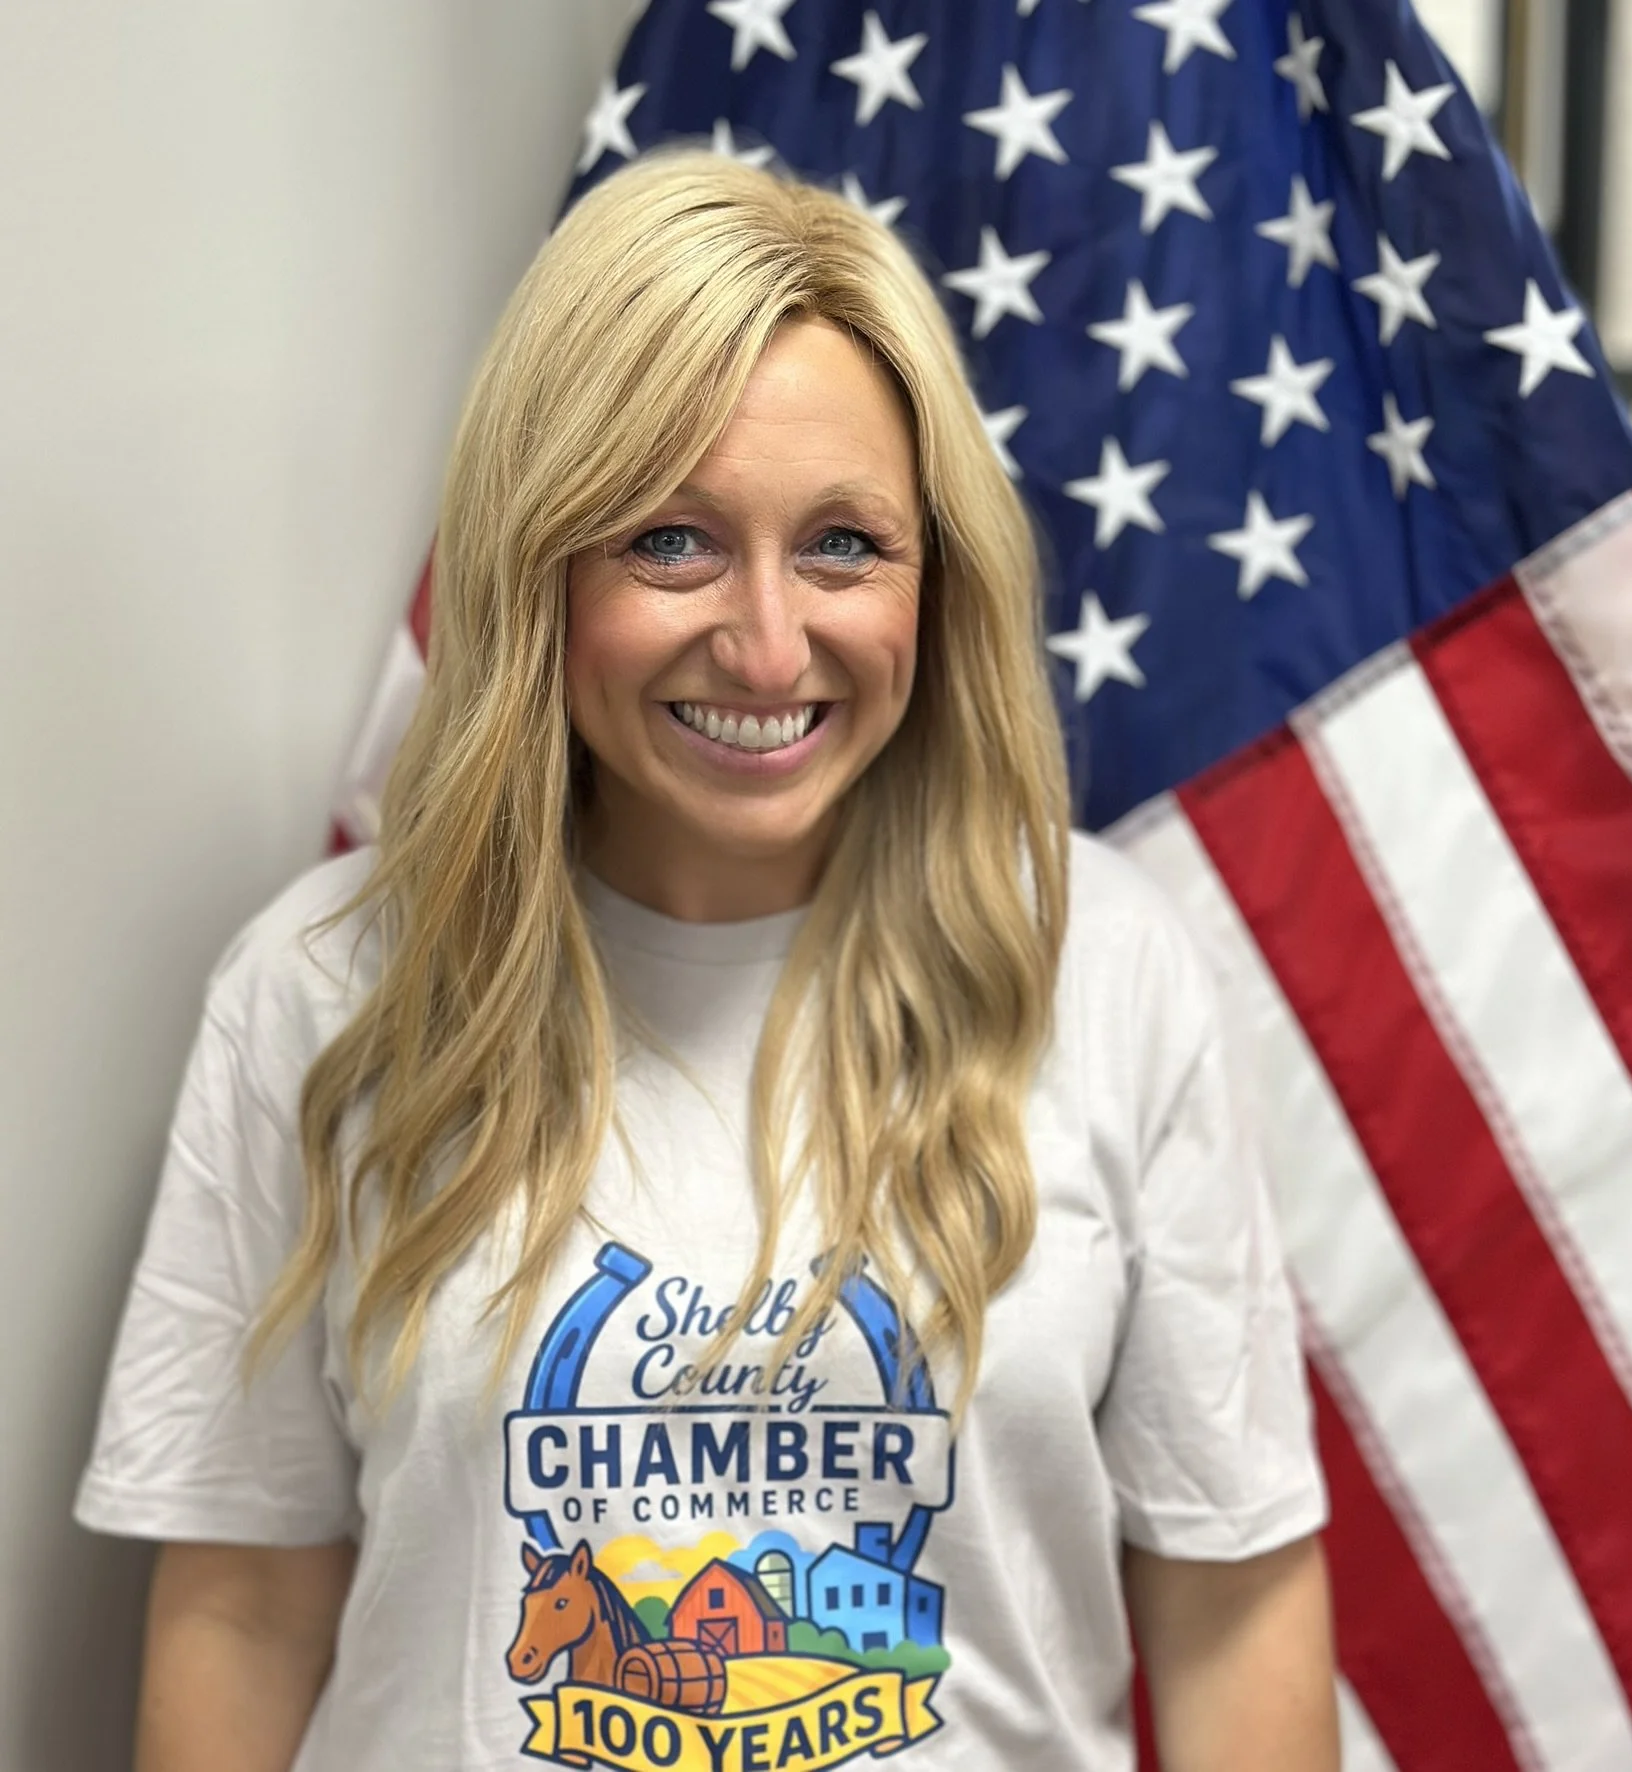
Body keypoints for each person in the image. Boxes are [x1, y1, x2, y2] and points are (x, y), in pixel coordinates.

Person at [76, 148, 1337, 1772]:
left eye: (843, 547)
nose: (764, 644)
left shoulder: (1106, 968)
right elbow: (244, 1610)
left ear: (935, 581)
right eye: (670, 540)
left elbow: (1233, 1611)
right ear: (541, 569)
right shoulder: (317, 992)